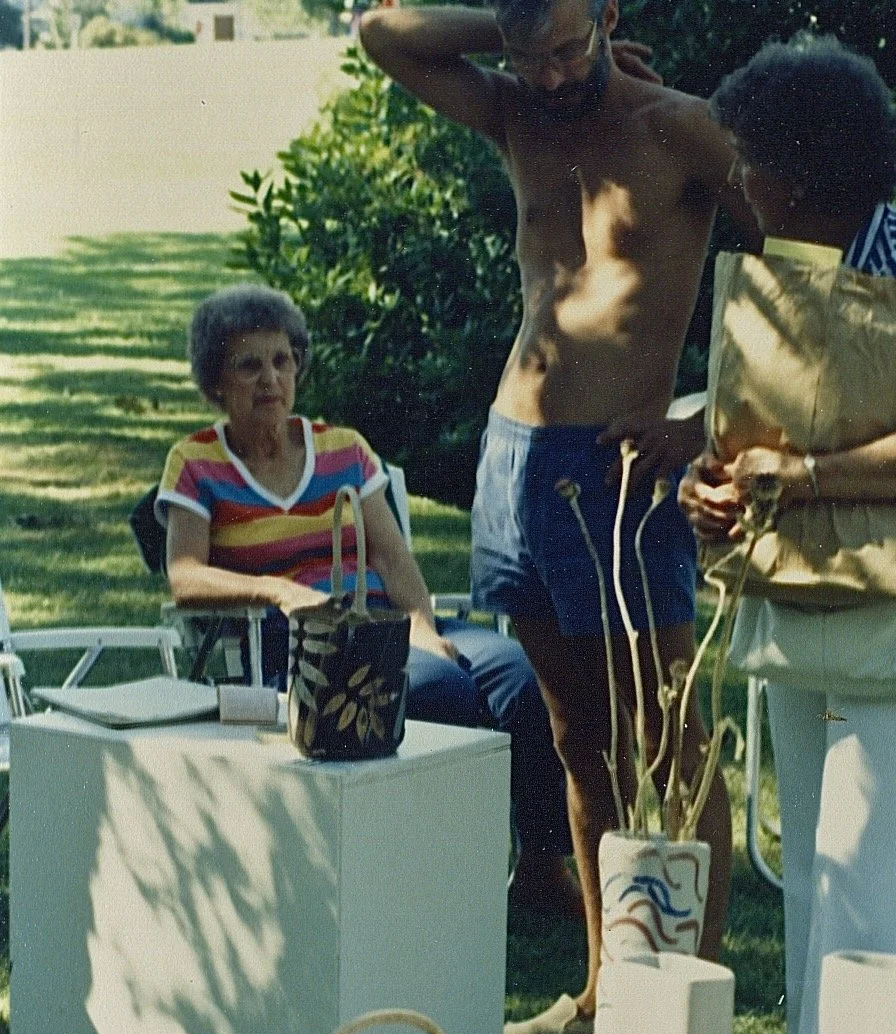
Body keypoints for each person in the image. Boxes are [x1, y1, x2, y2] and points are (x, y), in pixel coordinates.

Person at [360, 0, 756, 1034]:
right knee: (576, 734)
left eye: (570, 48)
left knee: (668, 744)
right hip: (514, 463)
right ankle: (597, 994)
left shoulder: (680, 130)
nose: (549, 76)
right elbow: (382, 35)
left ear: (612, 21)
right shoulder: (517, 109)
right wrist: (522, 31)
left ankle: (693, 1007)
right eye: (532, 55)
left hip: (620, 471)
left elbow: (800, 276)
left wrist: (707, 416)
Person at [679, 33, 896, 1034]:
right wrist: (719, 491)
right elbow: (752, 443)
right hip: (809, 595)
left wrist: (800, 476)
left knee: (871, 884)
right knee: (812, 878)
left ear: (798, 170)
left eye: (747, 155)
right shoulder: (781, 278)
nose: (734, 174)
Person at [156, 282, 580, 918]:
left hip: (383, 617)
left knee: (520, 678)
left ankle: (543, 873)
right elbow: (185, 574)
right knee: (439, 687)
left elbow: (390, 554)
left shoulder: (342, 449)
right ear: (216, 380)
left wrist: (421, 625)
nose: (270, 378)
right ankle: (446, 880)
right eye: (249, 364)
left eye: (281, 361)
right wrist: (277, 589)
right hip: (295, 645)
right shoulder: (195, 463)